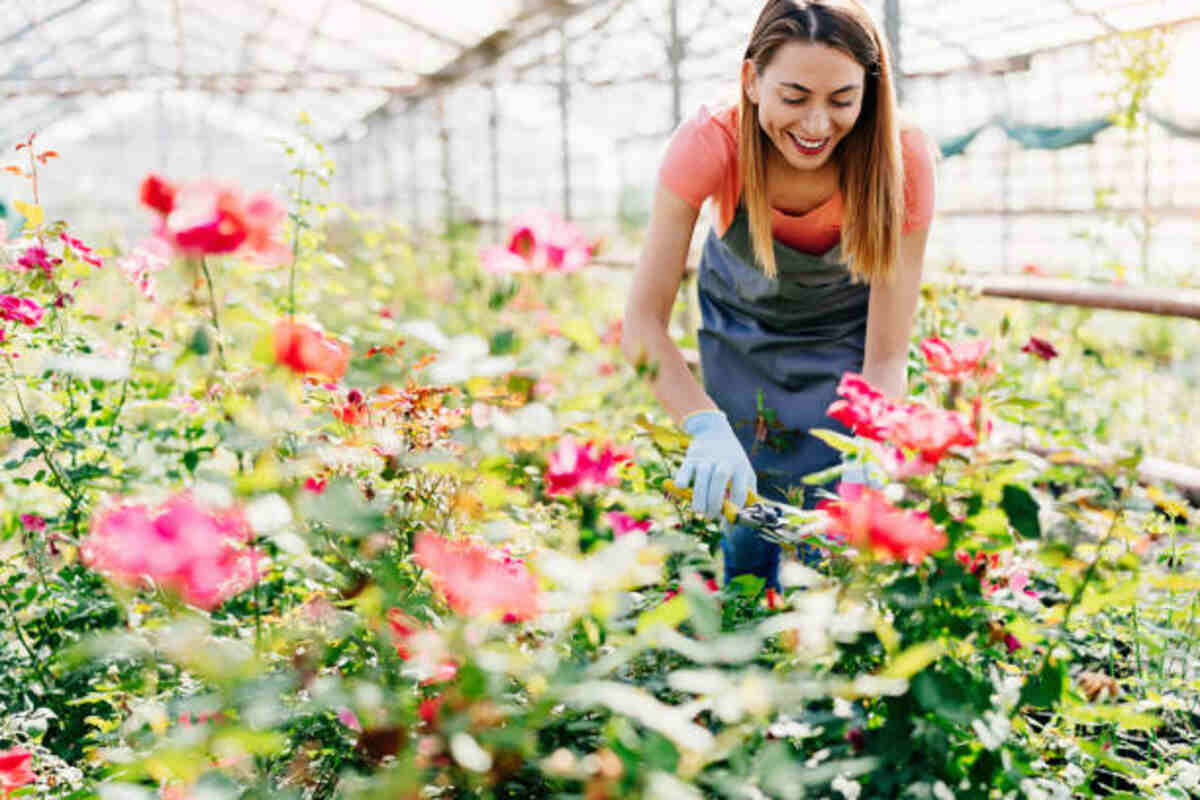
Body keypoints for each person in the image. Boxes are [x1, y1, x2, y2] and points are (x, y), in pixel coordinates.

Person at [620, 0, 935, 590]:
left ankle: (820, 645)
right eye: (794, 97)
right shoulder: (709, 142)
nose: (817, 125)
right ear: (751, 80)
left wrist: (872, 446)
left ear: (869, 90)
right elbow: (641, 323)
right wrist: (703, 426)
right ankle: (743, 625)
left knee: (835, 523)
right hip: (741, 329)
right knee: (746, 505)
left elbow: (888, 353)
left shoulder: (903, 159)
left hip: (845, 332)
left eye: (842, 101)